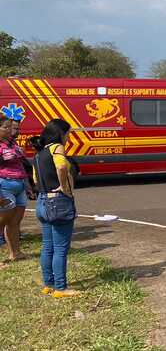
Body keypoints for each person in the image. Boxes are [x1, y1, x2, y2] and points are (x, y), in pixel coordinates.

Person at [31, 119, 79, 297]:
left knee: (47, 246)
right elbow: (60, 166)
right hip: (58, 202)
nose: (68, 137)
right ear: (61, 133)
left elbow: (35, 179)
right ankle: (61, 288)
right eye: (68, 134)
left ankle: (48, 284)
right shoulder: (57, 148)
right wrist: (64, 188)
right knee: (60, 248)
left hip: (42, 202)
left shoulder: (39, 153)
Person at [0, 116, 33, 263]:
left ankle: (15, 253)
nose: (9, 130)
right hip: (4, 185)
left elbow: (20, 164)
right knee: (2, 222)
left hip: (19, 185)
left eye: (9, 127)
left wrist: (27, 185)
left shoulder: (12, 143)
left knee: (15, 222)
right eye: (5, 127)